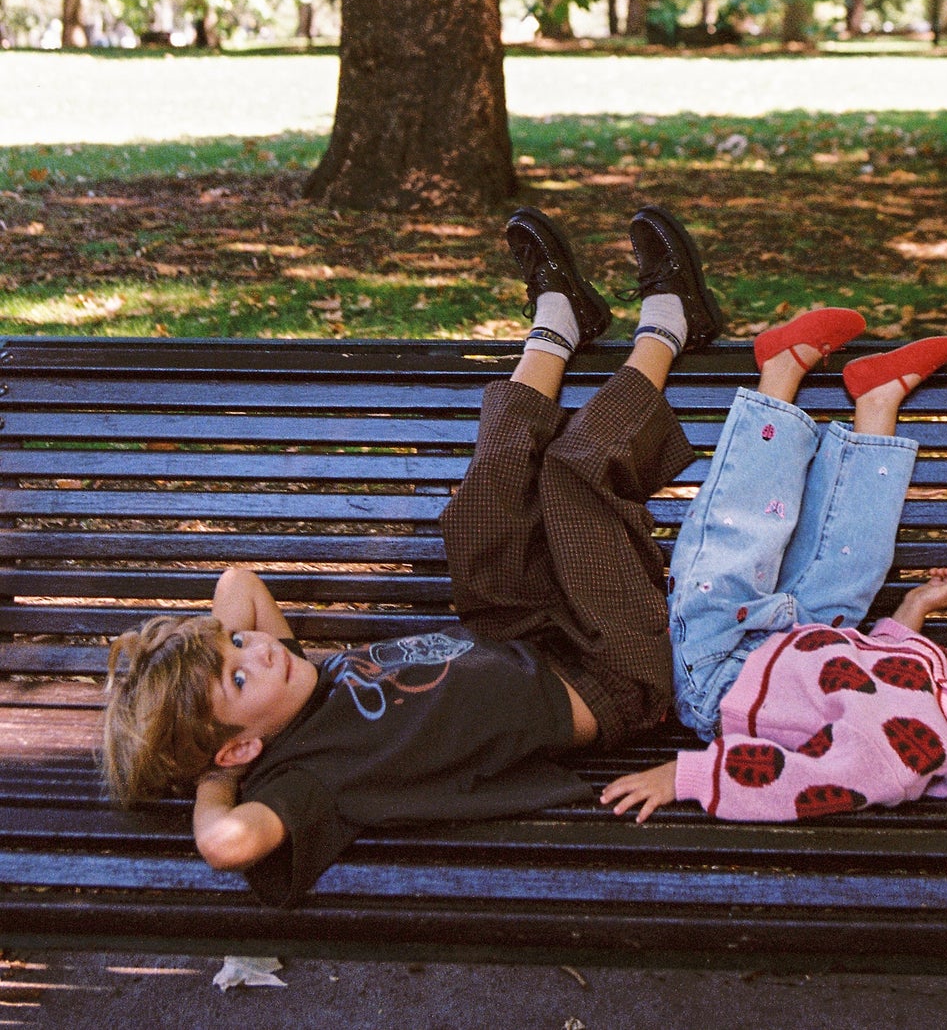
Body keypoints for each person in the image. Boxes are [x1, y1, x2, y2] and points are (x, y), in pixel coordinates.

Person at [101, 203, 723, 905]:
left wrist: (214, 668)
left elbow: (236, 583)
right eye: (240, 679)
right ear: (241, 747)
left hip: (517, 628)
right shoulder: (307, 775)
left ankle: (562, 320)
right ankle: (672, 319)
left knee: (483, 505)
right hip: (614, 675)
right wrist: (219, 777)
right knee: (571, 474)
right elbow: (227, 842)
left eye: (239, 646)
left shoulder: (292, 678)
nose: (257, 653)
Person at [601, 312, 947, 828]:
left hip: (714, 670)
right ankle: (877, 402)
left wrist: (686, 778)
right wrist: (912, 610)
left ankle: (779, 370)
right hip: (809, 637)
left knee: (746, 534)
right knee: (860, 562)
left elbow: (795, 782)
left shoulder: (904, 763)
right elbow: (894, 661)